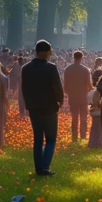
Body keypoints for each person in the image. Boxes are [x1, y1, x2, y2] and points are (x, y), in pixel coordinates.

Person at [21, 40, 64, 176]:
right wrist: (60, 101)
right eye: (49, 52)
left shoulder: (26, 68)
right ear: (44, 52)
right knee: (51, 138)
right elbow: (57, 87)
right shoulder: (51, 68)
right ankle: (45, 166)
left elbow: (24, 88)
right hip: (49, 107)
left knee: (38, 139)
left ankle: (38, 168)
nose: (50, 54)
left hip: (34, 107)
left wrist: (28, 104)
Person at [64, 51, 91, 143]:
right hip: (83, 96)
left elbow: (65, 84)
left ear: (73, 57)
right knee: (83, 117)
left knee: (74, 117)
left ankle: (74, 136)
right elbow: (89, 84)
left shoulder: (68, 69)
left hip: (73, 96)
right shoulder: (85, 69)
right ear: (81, 58)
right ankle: (83, 135)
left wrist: (68, 93)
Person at [87, 77, 102, 150]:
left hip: (94, 112)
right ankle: (99, 143)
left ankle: (92, 143)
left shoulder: (93, 92)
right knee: (100, 129)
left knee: (94, 128)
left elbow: (88, 101)